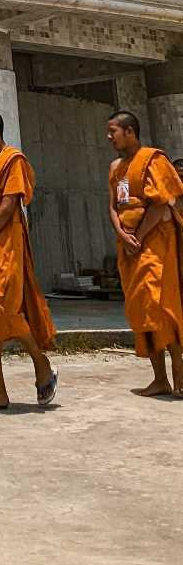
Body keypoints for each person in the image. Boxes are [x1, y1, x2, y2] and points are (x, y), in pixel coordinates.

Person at [0, 109, 57, 411]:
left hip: (3, 244)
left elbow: (7, 206)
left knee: (2, 303)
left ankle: (41, 364)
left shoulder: (12, 160)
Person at [107, 110, 183, 396]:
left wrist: (136, 238)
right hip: (129, 246)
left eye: (113, 131)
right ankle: (159, 378)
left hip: (154, 243)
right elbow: (113, 206)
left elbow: (162, 204)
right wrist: (122, 234)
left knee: (162, 305)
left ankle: (179, 374)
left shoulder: (154, 159)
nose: (109, 136)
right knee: (141, 310)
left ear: (129, 131)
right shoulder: (116, 167)